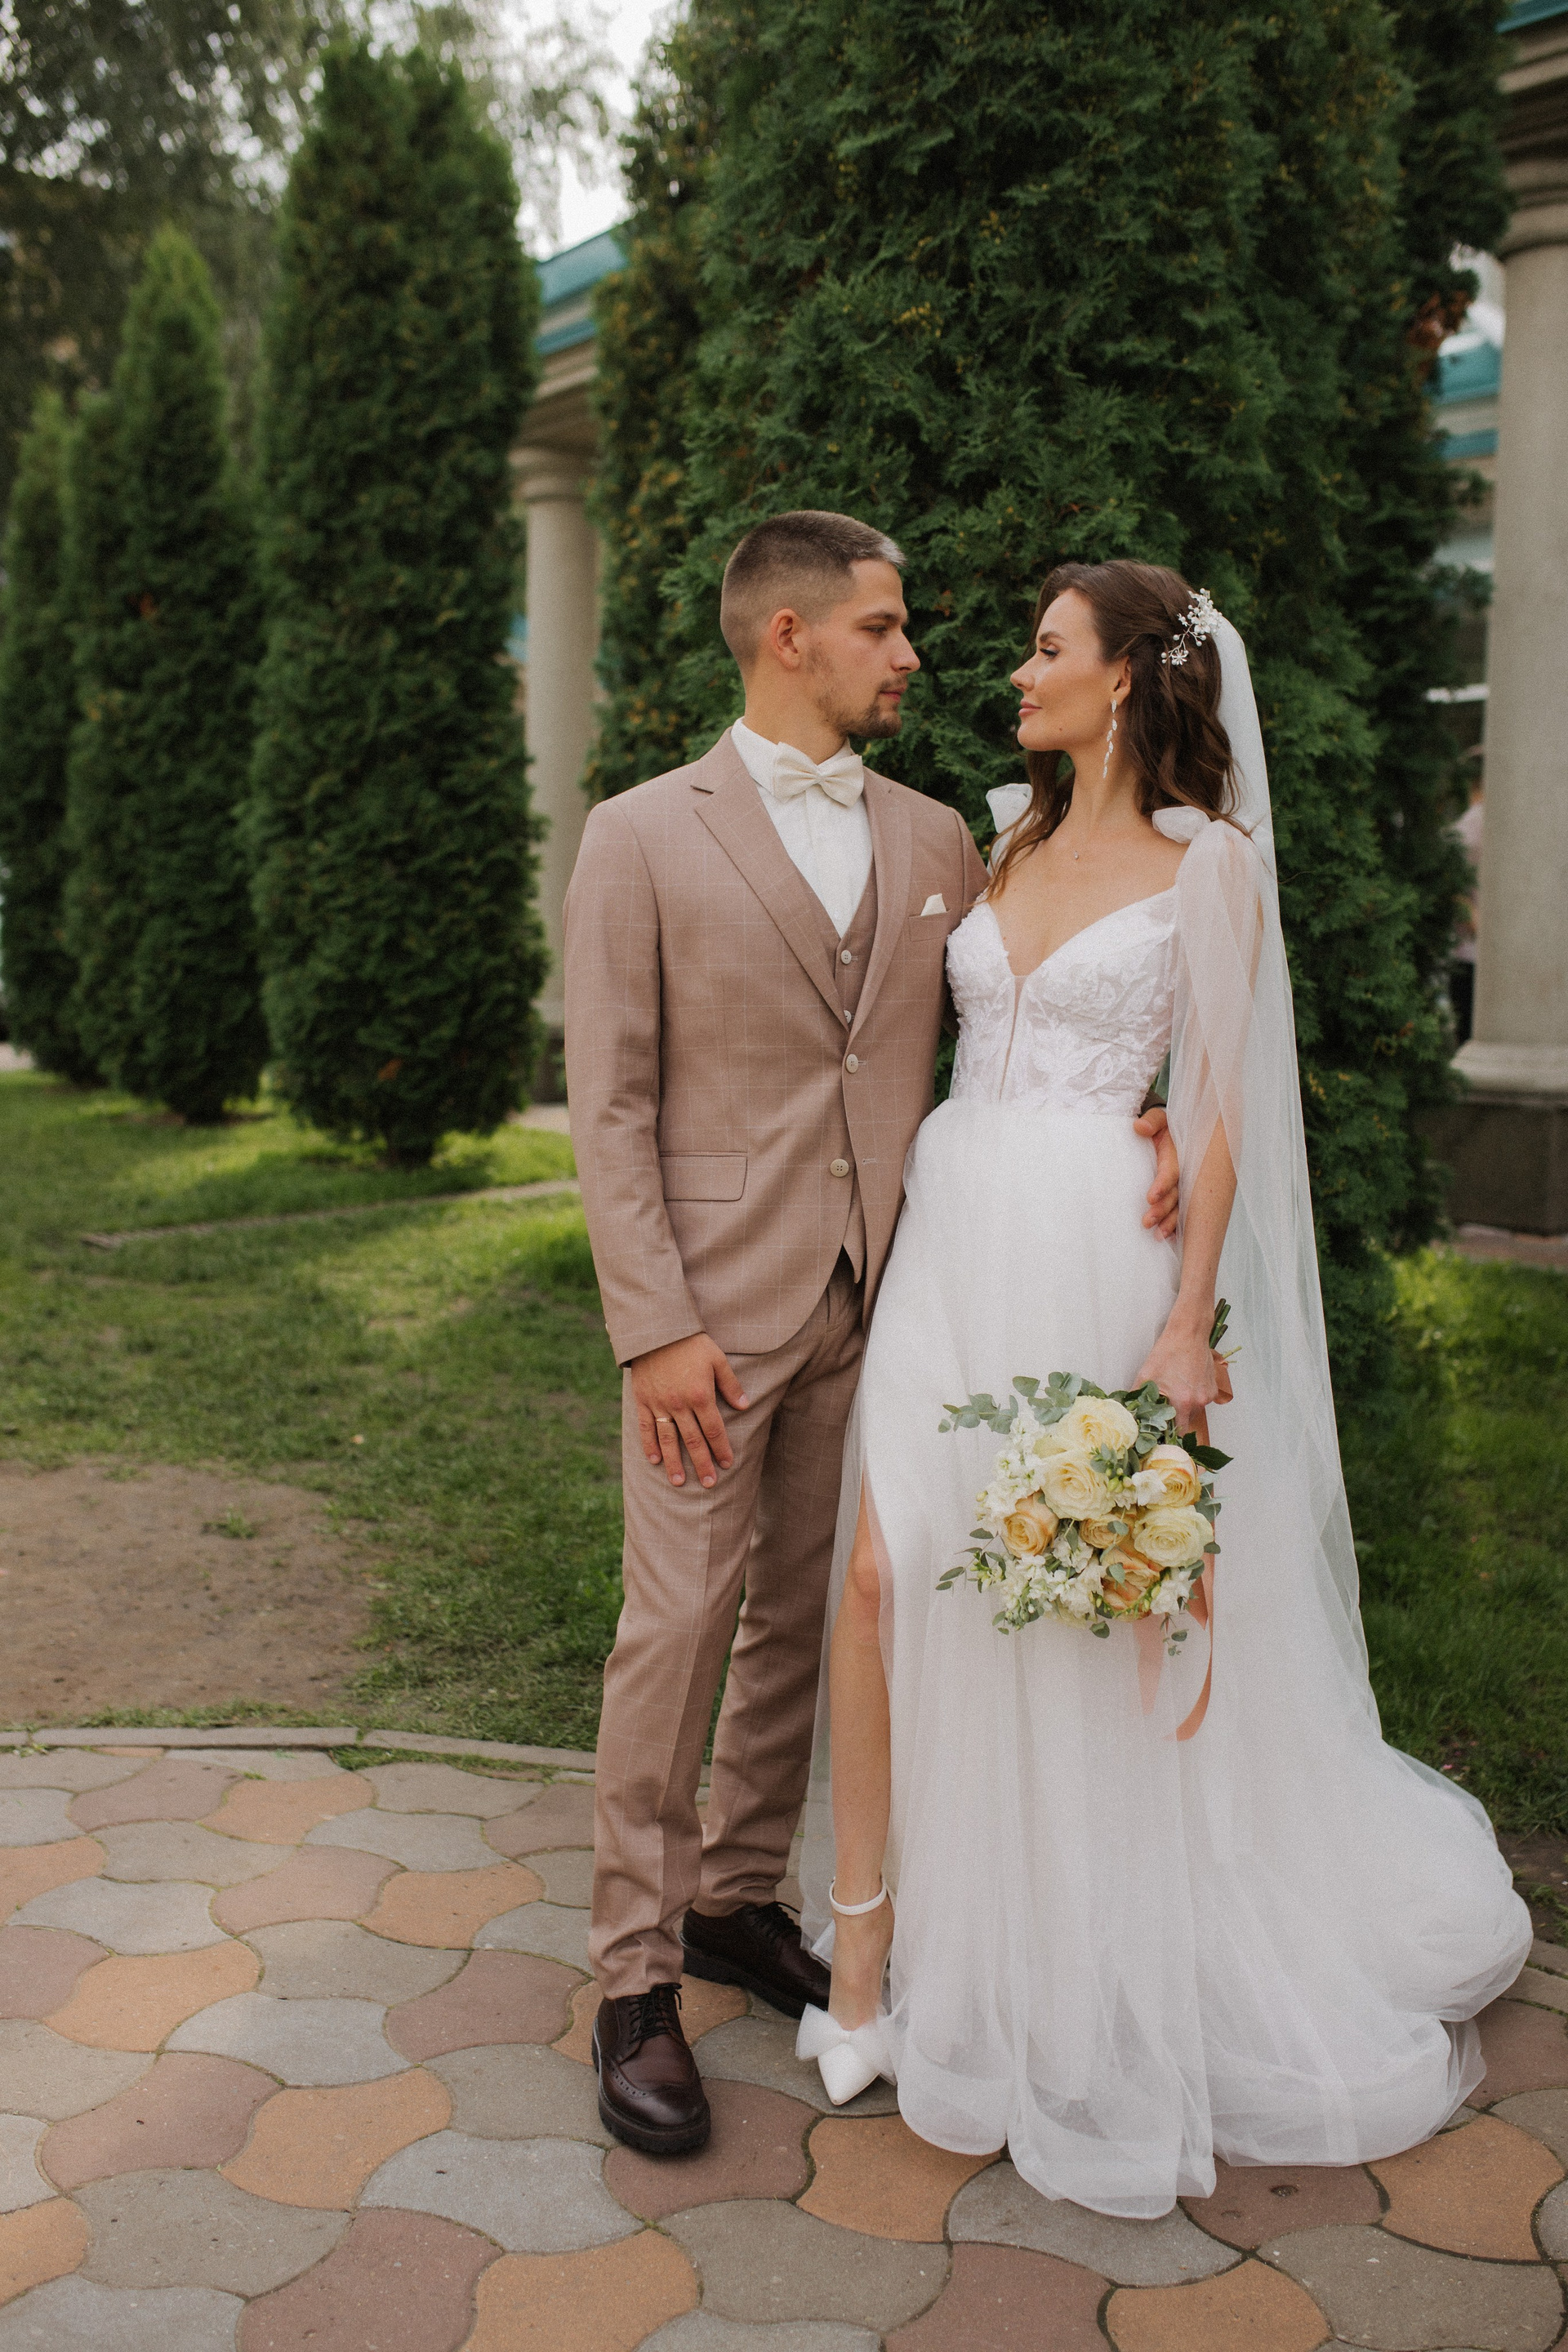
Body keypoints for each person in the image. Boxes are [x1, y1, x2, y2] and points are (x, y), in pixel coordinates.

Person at [800, 559, 1531, 2218]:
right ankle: (863, 1959)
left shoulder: (1216, 868)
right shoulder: (1000, 840)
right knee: (887, 1570)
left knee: (1081, 1606)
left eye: (1047, 647)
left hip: (1097, 1265)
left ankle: (1080, 1959)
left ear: (1126, 677)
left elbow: (1214, 1105)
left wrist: (1190, 1320)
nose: (1017, 671)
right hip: (954, 1233)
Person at [563, 514, 1182, 2155]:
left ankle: (735, 1897)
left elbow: (1033, 1008)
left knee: (812, 1619)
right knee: (676, 1627)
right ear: (790, 635)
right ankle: (634, 1979)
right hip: (706, 1320)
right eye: (884, 628)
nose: (914, 656)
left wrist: (1156, 1120)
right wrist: (652, 1327)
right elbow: (607, 1105)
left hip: (894, 1296)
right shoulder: (639, 835)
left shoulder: (938, 840)